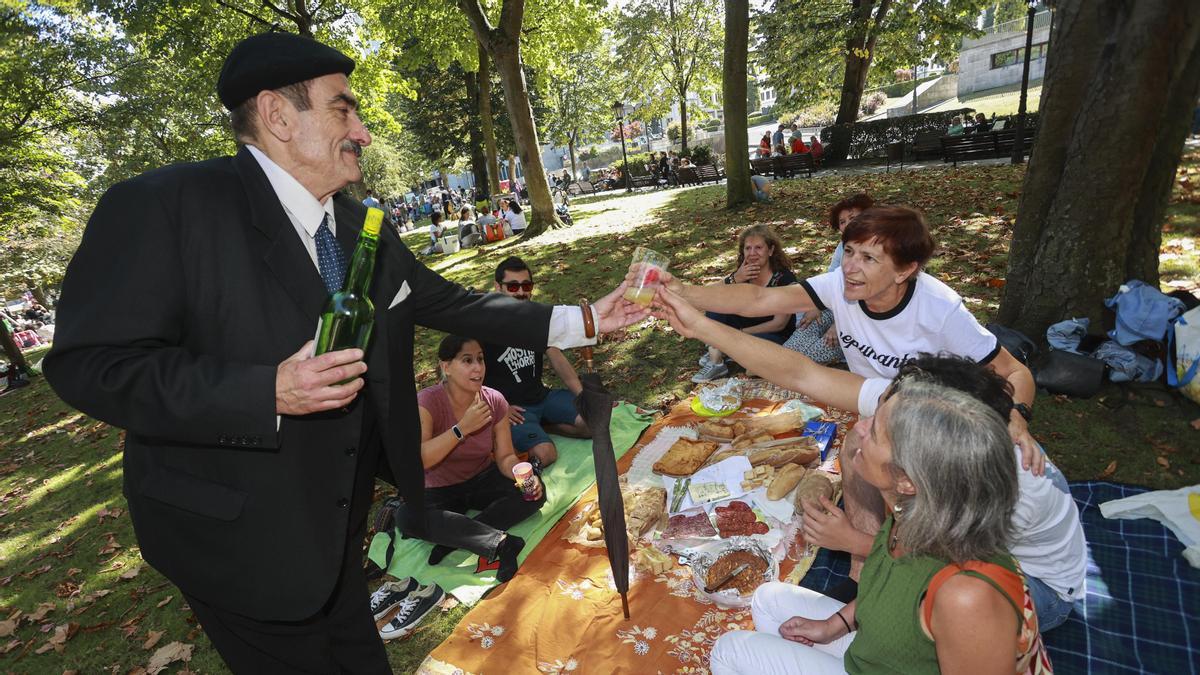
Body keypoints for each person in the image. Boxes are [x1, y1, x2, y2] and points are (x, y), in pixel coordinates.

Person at [42, 31, 647, 673]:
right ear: (277, 115)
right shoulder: (165, 208)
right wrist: (263, 391)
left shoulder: (361, 226)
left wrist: (583, 317)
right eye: (343, 109)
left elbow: (449, 302)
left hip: (337, 529)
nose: (361, 130)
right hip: (239, 540)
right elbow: (90, 364)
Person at [639, 205, 1042, 573]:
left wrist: (1016, 417)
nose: (850, 267)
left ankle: (896, 566)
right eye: (849, 251)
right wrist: (682, 292)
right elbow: (761, 303)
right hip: (881, 405)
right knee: (855, 452)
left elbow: (1014, 372)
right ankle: (862, 575)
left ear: (905, 270)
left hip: (935, 430)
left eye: (869, 258)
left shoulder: (941, 309)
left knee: (921, 521)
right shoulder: (840, 286)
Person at [663, 289, 1087, 631]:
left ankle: (877, 612)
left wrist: (855, 540)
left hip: (1031, 588)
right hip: (950, 540)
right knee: (856, 451)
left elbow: (954, 570)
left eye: (881, 428)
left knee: (936, 604)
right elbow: (801, 373)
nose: (861, 425)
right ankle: (863, 585)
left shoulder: (1003, 491)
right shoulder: (920, 409)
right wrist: (701, 325)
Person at [708, 380, 1050, 674]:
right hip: (879, 652)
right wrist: (834, 626)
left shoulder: (968, 596)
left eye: (874, 431)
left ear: (906, 479)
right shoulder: (916, 509)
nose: (858, 427)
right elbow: (891, 582)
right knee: (768, 598)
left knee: (729, 650)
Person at [398, 335, 546, 584]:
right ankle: (502, 543)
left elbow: (505, 456)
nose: (478, 368)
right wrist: (461, 429)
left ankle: (458, 535)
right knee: (407, 517)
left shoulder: (494, 400)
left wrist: (524, 474)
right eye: (467, 360)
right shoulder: (427, 401)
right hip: (439, 489)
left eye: (480, 359)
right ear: (446, 367)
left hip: (480, 478)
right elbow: (421, 459)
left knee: (533, 493)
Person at [482, 257, 591, 467]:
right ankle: (509, 437)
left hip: (541, 397)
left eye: (526, 286)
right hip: (512, 410)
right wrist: (499, 409)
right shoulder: (484, 325)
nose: (521, 292)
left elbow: (558, 359)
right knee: (545, 455)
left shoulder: (536, 318)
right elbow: (465, 377)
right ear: (498, 287)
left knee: (593, 423)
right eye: (513, 286)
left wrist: (582, 395)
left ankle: (546, 426)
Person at [692, 225, 797, 382]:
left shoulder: (784, 279)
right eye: (748, 248)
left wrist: (738, 333)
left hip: (773, 334)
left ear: (770, 250)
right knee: (716, 305)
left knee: (758, 348)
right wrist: (734, 279)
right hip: (745, 323)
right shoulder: (743, 273)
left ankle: (722, 348)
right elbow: (707, 296)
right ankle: (717, 362)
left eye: (758, 247)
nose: (753, 253)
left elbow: (779, 324)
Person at [782, 194, 874, 365]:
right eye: (842, 221)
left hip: (859, 321)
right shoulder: (842, 247)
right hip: (835, 308)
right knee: (800, 334)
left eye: (853, 218)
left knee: (810, 356)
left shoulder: (880, 249)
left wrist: (839, 325)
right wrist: (817, 304)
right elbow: (831, 278)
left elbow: (870, 301)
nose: (848, 224)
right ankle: (775, 362)